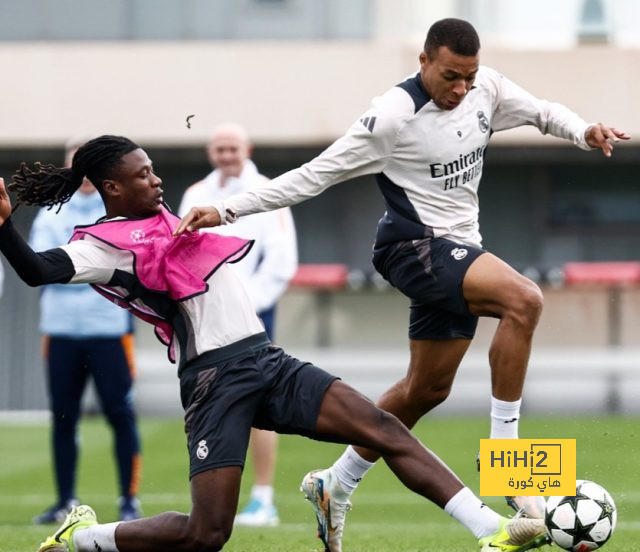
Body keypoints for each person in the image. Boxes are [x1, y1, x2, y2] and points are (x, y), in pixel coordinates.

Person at [176, 17, 631, 551]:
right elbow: (313, 176)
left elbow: (542, 113)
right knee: (523, 299)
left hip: (459, 248)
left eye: (469, 76)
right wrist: (225, 208)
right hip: (412, 248)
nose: (460, 88)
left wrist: (584, 131)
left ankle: (334, 483)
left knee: (425, 390)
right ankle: (510, 470)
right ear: (423, 62)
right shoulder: (390, 117)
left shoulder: (486, 88)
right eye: (450, 76)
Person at [0, 135, 548, 552]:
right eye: (143, 176)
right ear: (113, 189)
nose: (156, 180)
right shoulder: (102, 247)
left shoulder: (173, 211)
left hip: (267, 359)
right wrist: (4, 227)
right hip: (215, 381)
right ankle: (84, 538)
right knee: (206, 535)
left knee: (384, 429)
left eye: (154, 170)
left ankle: (493, 530)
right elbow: (36, 269)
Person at [178, 123, 298, 527]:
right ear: (211, 152)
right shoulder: (196, 194)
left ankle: (263, 498)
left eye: (233, 148)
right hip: (205, 316)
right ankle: (211, 500)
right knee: (208, 400)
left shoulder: (268, 190)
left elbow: (282, 260)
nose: (227, 155)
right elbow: (180, 253)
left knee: (260, 404)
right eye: (220, 148)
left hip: (254, 314)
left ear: (246, 148)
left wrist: (249, 304)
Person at [29, 137, 142, 524]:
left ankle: (129, 500)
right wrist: (96, 267)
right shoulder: (50, 212)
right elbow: (41, 269)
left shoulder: (121, 209)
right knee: (63, 417)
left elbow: (124, 263)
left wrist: (73, 265)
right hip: (60, 332)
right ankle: (65, 500)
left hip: (110, 331)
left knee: (120, 414)